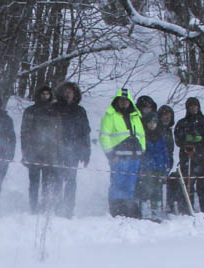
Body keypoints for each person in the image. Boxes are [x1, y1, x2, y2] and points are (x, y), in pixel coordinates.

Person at [99, 88, 146, 218]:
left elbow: (141, 135)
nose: (124, 102)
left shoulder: (135, 116)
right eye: (121, 100)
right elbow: (104, 136)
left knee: (130, 185)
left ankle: (128, 210)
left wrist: (142, 152)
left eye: (126, 100)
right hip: (119, 157)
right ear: (117, 101)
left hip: (134, 157)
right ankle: (116, 211)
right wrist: (110, 155)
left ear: (130, 101)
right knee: (117, 184)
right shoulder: (110, 116)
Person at [172, 97, 204, 216]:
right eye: (191, 106)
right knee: (187, 188)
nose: (193, 108)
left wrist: (203, 139)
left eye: (195, 105)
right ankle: (187, 213)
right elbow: (178, 140)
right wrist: (186, 139)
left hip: (203, 160)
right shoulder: (182, 123)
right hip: (187, 160)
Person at [21, 85, 62, 213]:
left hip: (50, 153)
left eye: (47, 94)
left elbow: (59, 134)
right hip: (34, 152)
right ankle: (33, 207)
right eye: (43, 94)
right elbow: (25, 132)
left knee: (46, 183)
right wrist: (25, 151)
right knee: (34, 183)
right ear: (38, 95)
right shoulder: (30, 111)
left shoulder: (55, 112)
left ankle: (44, 207)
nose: (45, 96)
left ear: (50, 96)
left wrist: (59, 152)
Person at [54, 82, 91, 217]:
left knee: (70, 180)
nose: (68, 94)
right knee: (56, 179)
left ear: (75, 94)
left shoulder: (80, 110)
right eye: (66, 91)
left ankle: (68, 208)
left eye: (70, 92)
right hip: (56, 149)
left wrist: (86, 152)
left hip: (74, 150)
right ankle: (55, 207)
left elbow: (85, 133)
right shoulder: (55, 108)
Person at [137, 112, 173, 221]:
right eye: (150, 122)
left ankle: (156, 213)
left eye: (154, 122)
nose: (152, 124)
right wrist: (141, 167)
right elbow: (141, 153)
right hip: (147, 168)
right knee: (146, 189)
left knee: (157, 191)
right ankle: (145, 212)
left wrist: (167, 166)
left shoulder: (161, 136)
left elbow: (165, 152)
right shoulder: (142, 135)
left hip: (159, 168)